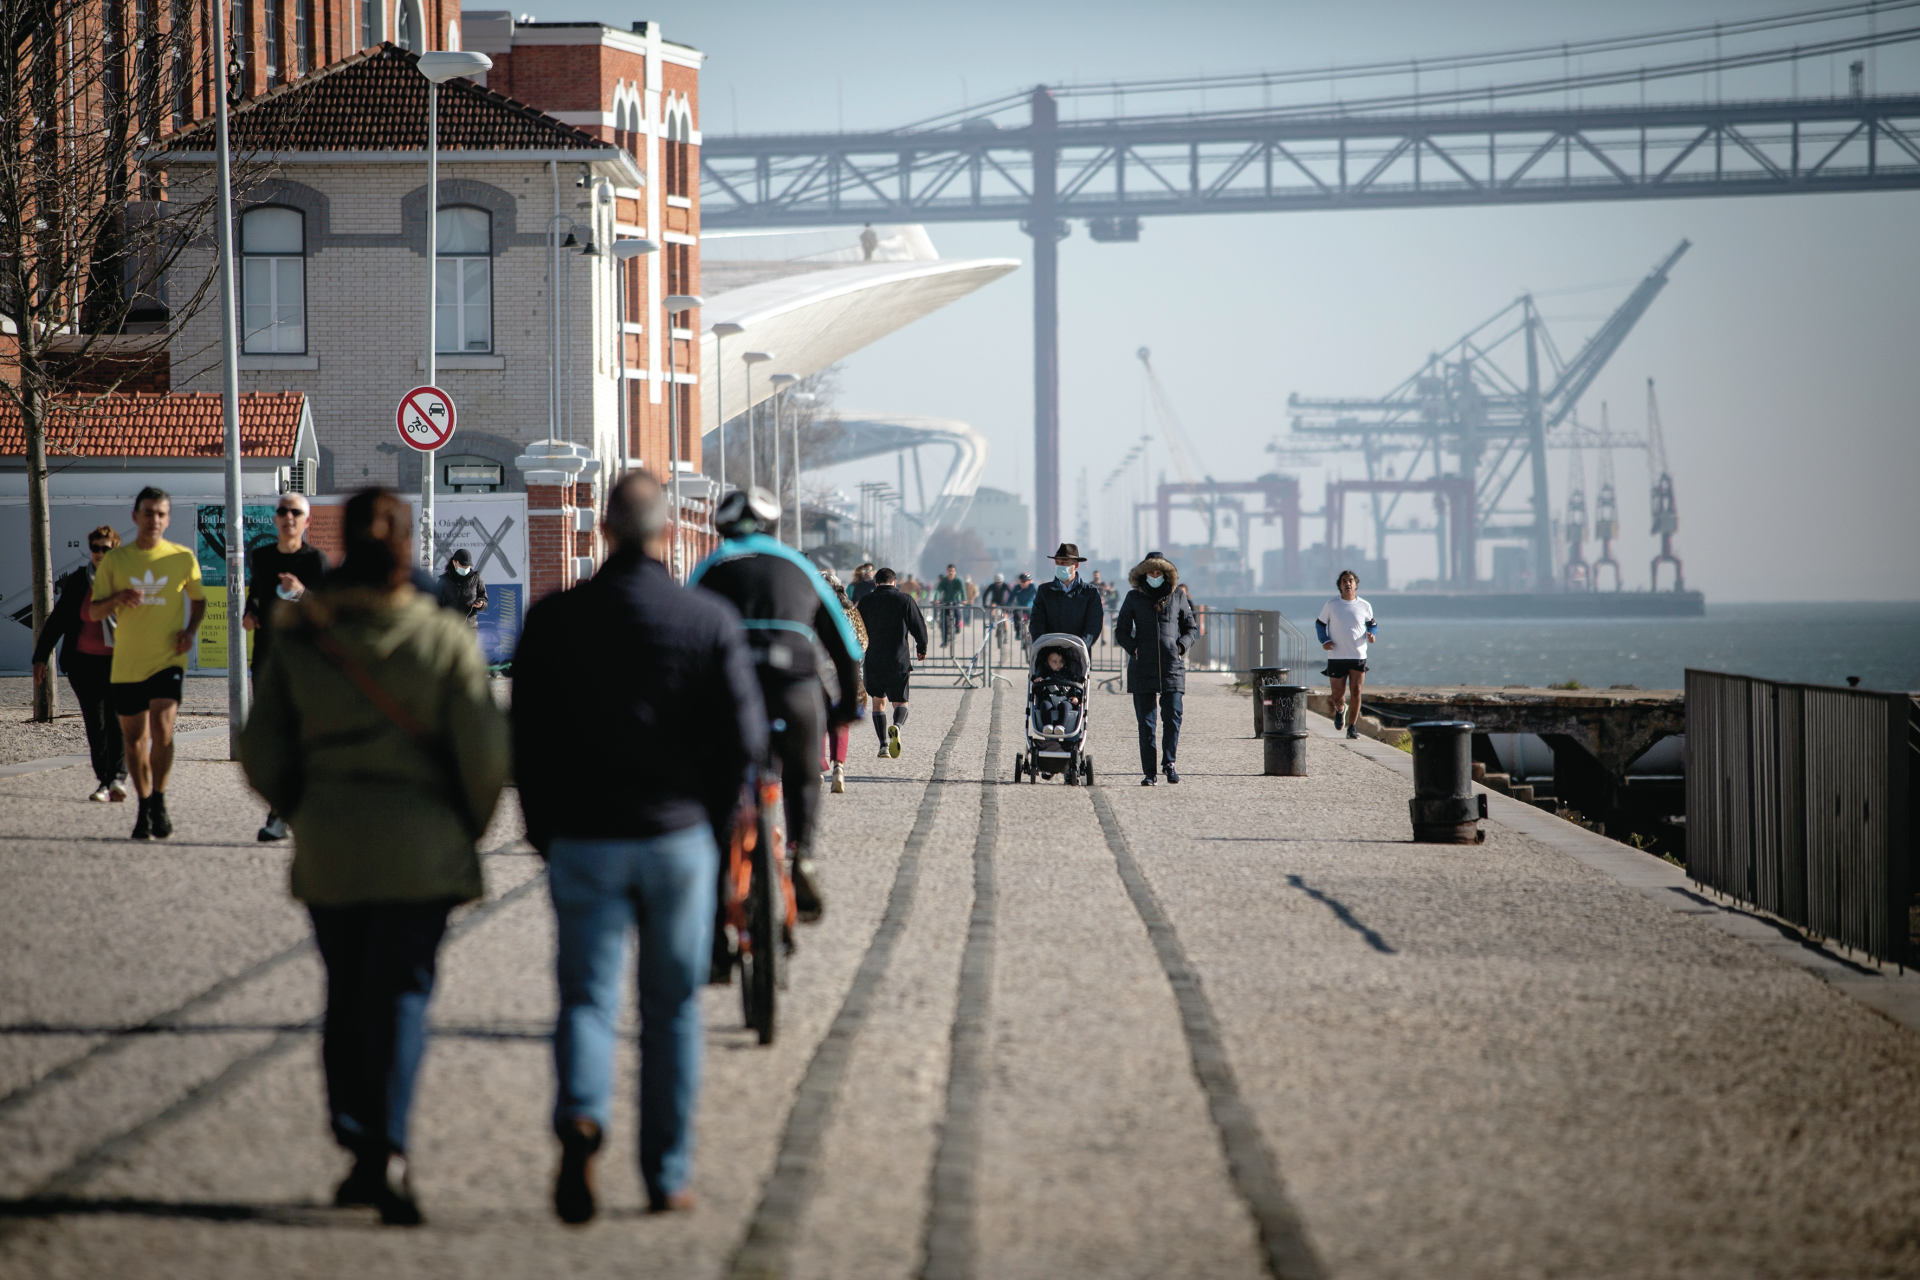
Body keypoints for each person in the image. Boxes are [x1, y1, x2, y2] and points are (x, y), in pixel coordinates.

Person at [239, 487, 509, 1226]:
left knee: (345, 987)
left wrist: (305, 807)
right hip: (424, 848)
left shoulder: (301, 635)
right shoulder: (443, 637)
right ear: (406, 545)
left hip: (330, 842)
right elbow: (486, 754)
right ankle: (389, 1144)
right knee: (404, 993)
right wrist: (465, 827)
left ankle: (357, 1139)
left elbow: (261, 749)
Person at [512, 472, 764, 1223]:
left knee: (587, 998)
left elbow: (525, 739)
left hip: (584, 838)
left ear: (603, 533)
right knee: (672, 1007)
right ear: (665, 534)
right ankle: (666, 1172)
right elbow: (744, 744)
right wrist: (714, 830)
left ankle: (584, 1114)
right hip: (676, 839)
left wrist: (542, 829)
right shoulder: (707, 619)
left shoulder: (555, 620)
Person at [689, 487, 862, 923]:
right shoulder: (800, 565)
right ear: (772, 525)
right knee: (803, 776)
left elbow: (683, 637)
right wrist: (846, 708)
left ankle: (713, 918)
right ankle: (802, 854)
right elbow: (845, 646)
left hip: (732, 693)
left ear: (723, 528)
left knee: (717, 789)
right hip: (796, 687)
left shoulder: (710, 567)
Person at [87, 487, 205, 840]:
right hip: (127, 664)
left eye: (161, 514)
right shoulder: (116, 561)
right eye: (148, 512)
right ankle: (144, 804)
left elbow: (199, 600)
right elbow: (94, 611)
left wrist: (190, 631)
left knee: (163, 730)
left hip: (168, 659)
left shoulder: (182, 557)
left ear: (168, 520)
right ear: (135, 517)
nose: (154, 519)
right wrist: (118, 598)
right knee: (135, 740)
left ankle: (161, 801)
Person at [244, 492, 329, 842]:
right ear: (276, 520)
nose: (288, 516)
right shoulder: (262, 556)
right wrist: (250, 612)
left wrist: (300, 594)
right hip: (267, 658)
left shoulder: (317, 561)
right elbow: (257, 592)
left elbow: (328, 613)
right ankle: (282, 812)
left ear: (306, 522)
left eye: (296, 512)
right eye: (282, 511)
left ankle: (290, 812)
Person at [32, 525, 127, 802]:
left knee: (116, 722)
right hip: (83, 665)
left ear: (115, 550)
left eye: (105, 548)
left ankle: (118, 778)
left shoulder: (126, 581)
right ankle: (104, 781)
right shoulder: (77, 581)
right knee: (95, 726)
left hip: (119, 663)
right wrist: (40, 657)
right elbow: (58, 620)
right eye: (95, 548)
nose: (99, 553)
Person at [1115, 552, 1198, 786]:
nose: (1154, 576)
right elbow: (1121, 631)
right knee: (1146, 723)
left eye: (1158, 572)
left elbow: (1191, 627)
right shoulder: (1133, 597)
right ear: (1143, 574)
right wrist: (1134, 649)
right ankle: (1149, 772)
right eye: (1150, 572)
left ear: (1165, 574)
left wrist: (1181, 647)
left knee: (1173, 718)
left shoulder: (1178, 596)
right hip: (1142, 667)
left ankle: (1169, 764)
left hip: (1172, 666)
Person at [854, 567, 927, 760]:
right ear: (895, 583)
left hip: (873, 659)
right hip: (898, 659)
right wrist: (922, 647)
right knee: (901, 702)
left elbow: (857, 629)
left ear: (876, 583)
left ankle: (883, 746)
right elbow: (918, 626)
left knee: (878, 703)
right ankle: (897, 727)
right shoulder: (905, 600)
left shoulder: (866, 601)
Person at [821, 571, 868, 794]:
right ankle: (838, 766)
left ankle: (818, 768)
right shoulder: (850, 611)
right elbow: (863, 642)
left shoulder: (811, 610)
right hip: (844, 672)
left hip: (816, 671)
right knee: (840, 721)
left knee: (817, 720)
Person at [1316, 569, 1377, 740]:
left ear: (1356, 585)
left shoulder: (1364, 606)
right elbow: (1320, 624)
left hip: (1358, 654)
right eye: (1344, 581)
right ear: (1340, 586)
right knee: (1338, 696)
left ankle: (1352, 728)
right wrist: (1324, 640)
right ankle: (1340, 710)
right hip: (1336, 656)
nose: (1347, 583)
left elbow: (1373, 625)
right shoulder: (1331, 605)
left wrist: (1372, 634)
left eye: (1350, 580)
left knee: (1356, 691)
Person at [1027, 542, 1103, 653]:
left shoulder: (1089, 592)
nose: (1059, 566)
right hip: (1049, 655)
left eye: (1064, 563)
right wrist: (1044, 646)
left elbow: (1094, 625)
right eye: (1057, 563)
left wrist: (1080, 646)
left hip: (1078, 655)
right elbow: (1036, 622)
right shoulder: (1045, 591)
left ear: (1076, 565)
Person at [1032, 649, 1082, 731]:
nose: (1059, 664)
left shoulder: (1069, 675)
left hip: (1066, 699)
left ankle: (1061, 726)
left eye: (1061, 661)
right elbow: (1040, 693)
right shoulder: (1045, 675)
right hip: (1049, 699)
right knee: (1044, 704)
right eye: (1054, 662)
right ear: (1047, 663)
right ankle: (1047, 725)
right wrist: (1039, 685)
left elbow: (1076, 686)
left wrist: (1076, 696)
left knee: (1065, 706)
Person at [436, 548, 487, 627]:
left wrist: (481, 604)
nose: (465, 568)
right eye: (462, 565)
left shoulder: (476, 578)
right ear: (454, 562)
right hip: (449, 625)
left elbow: (484, 600)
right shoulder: (444, 580)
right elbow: (436, 602)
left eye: (467, 566)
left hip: (470, 626)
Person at [933, 563, 965, 647]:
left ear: (955, 572)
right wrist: (936, 599)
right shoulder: (944, 581)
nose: (951, 572)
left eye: (952, 571)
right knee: (943, 621)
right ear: (947, 571)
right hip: (945, 602)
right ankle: (944, 641)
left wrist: (964, 599)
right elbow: (938, 590)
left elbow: (962, 590)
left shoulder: (958, 581)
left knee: (957, 614)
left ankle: (957, 626)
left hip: (955, 602)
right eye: (949, 571)